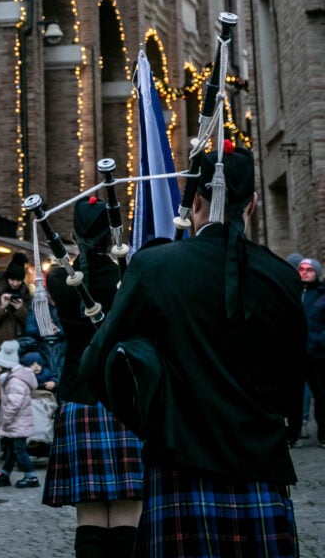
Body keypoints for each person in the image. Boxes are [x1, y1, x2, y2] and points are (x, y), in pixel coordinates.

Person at [80, 143, 307, 558]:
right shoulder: (283, 278)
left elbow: (96, 363)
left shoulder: (154, 267)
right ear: (253, 203)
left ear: (195, 198)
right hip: (261, 468)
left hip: (179, 467)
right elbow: (294, 382)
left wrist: (151, 419)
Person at [42, 198, 143, 558]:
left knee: (89, 511)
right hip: (124, 397)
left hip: (78, 395)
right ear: (113, 232)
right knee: (129, 507)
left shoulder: (57, 278)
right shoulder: (128, 274)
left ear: (74, 233)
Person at [0, 339, 40, 489]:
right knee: (12, 451)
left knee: (19, 451)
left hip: (16, 424)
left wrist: (5, 420)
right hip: (17, 423)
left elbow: (13, 405)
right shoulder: (13, 379)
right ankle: (5, 474)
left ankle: (31, 476)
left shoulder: (15, 382)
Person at [296, 257, 325, 448]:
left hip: (318, 355)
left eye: (309, 269)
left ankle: (323, 434)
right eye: (301, 269)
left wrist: (316, 342)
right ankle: (294, 433)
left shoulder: (322, 295)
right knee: (295, 397)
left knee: (321, 396)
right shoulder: (293, 293)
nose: (305, 272)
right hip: (296, 354)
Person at [0, 258, 32, 352]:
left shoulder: (26, 295)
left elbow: (31, 324)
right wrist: (1, 307)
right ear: (7, 278)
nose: (15, 283)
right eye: (12, 279)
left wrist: (21, 310)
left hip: (20, 346)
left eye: (19, 280)